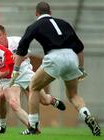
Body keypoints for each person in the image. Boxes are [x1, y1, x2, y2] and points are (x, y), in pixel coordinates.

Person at [10, 1, 101, 136]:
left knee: (33, 86)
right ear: (51, 13)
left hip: (54, 57)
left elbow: (22, 48)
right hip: (72, 57)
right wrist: (81, 69)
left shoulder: (35, 25)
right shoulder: (64, 23)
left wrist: (16, 69)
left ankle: (33, 127)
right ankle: (87, 115)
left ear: (37, 13)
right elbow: (80, 48)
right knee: (73, 95)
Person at [0, 28, 65, 134]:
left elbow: (5, 70)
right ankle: (33, 128)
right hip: (7, 79)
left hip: (22, 71)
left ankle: (52, 100)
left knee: (44, 100)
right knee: (13, 103)